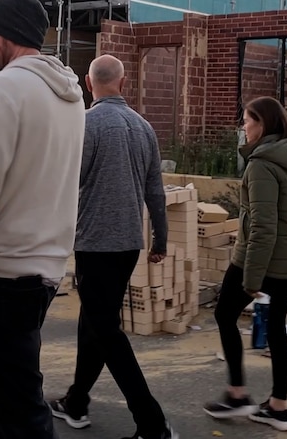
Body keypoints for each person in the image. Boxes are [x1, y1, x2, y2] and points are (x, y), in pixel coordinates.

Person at [0, 0, 85, 439]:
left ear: (11, 34)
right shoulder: (69, 95)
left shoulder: (1, 89)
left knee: (21, 413)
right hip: (44, 272)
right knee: (1, 401)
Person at [48, 54, 178, 439]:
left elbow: (66, 185)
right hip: (127, 245)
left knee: (105, 328)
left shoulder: (85, 126)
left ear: (89, 85)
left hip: (95, 243)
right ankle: (76, 402)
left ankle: (152, 423)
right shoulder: (144, 128)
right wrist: (161, 239)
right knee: (94, 323)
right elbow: (156, 190)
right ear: (124, 84)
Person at [204, 96, 287, 432]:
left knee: (224, 314)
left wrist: (252, 278)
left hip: (255, 259)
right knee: (276, 329)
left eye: (247, 121)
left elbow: (263, 227)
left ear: (262, 124)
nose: (243, 127)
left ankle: (238, 394)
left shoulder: (262, 165)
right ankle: (279, 408)